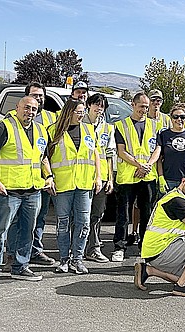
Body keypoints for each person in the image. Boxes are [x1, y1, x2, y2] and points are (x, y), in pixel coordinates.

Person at [0, 96, 53, 290]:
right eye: (26, 108)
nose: (30, 112)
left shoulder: (40, 130)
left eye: (34, 109)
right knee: (1, 231)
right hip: (9, 191)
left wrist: (48, 176)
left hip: (33, 190)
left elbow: (43, 157)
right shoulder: (5, 127)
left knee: (27, 231)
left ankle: (21, 267)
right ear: (17, 107)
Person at [47, 99, 101, 273]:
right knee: (63, 222)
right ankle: (64, 259)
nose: (82, 115)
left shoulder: (88, 129)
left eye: (83, 112)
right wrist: (48, 178)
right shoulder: (53, 130)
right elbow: (44, 157)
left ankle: (77, 259)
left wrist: (98, 177)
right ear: (69, 112)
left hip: (84, 183)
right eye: (79, 112)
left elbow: (95, 154)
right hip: (63, 184)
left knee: (83, 223)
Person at [112, 92, 160, 262]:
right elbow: (121, 150)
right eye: (141, 106)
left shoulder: (155, 125)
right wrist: (139, 165)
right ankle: (120, 246)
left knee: (147, 214)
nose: (144, 110)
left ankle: (145, 246)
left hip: (147, 177)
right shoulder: (121, 125)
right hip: (128, 176)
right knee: (123, 214)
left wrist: (147, 166)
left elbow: (157, 149)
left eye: (147, 107)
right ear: (133, 105)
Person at [26, 82, 56, 266]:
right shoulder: (17, 116)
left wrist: (50, 175)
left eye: (41, 96)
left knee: (40, 216)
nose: (38, 99)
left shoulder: (51, 118)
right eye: (34, 95)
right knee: (20, 219)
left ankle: (35, 251)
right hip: (21, 177)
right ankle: (15, 253)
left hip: (44, 175)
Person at [83, 93, 115, 263]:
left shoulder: (108, 128)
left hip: (101, 178)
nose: (99, 109)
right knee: (80, 215)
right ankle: (78, 249)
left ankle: (94, 248)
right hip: (81, 176)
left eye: (102, 106)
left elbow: (110, 155)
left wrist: (110, 179)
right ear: (89, 105)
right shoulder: (79, 124)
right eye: (96, 104)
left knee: (97, 214)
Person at [154, 104, 185, 193]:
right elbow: (159, 159)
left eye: (182, 117)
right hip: (169, 180)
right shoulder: (164, 135)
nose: (179, 119)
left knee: (184, 206)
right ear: (171, 119)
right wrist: (160, 177)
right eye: (175, 117)